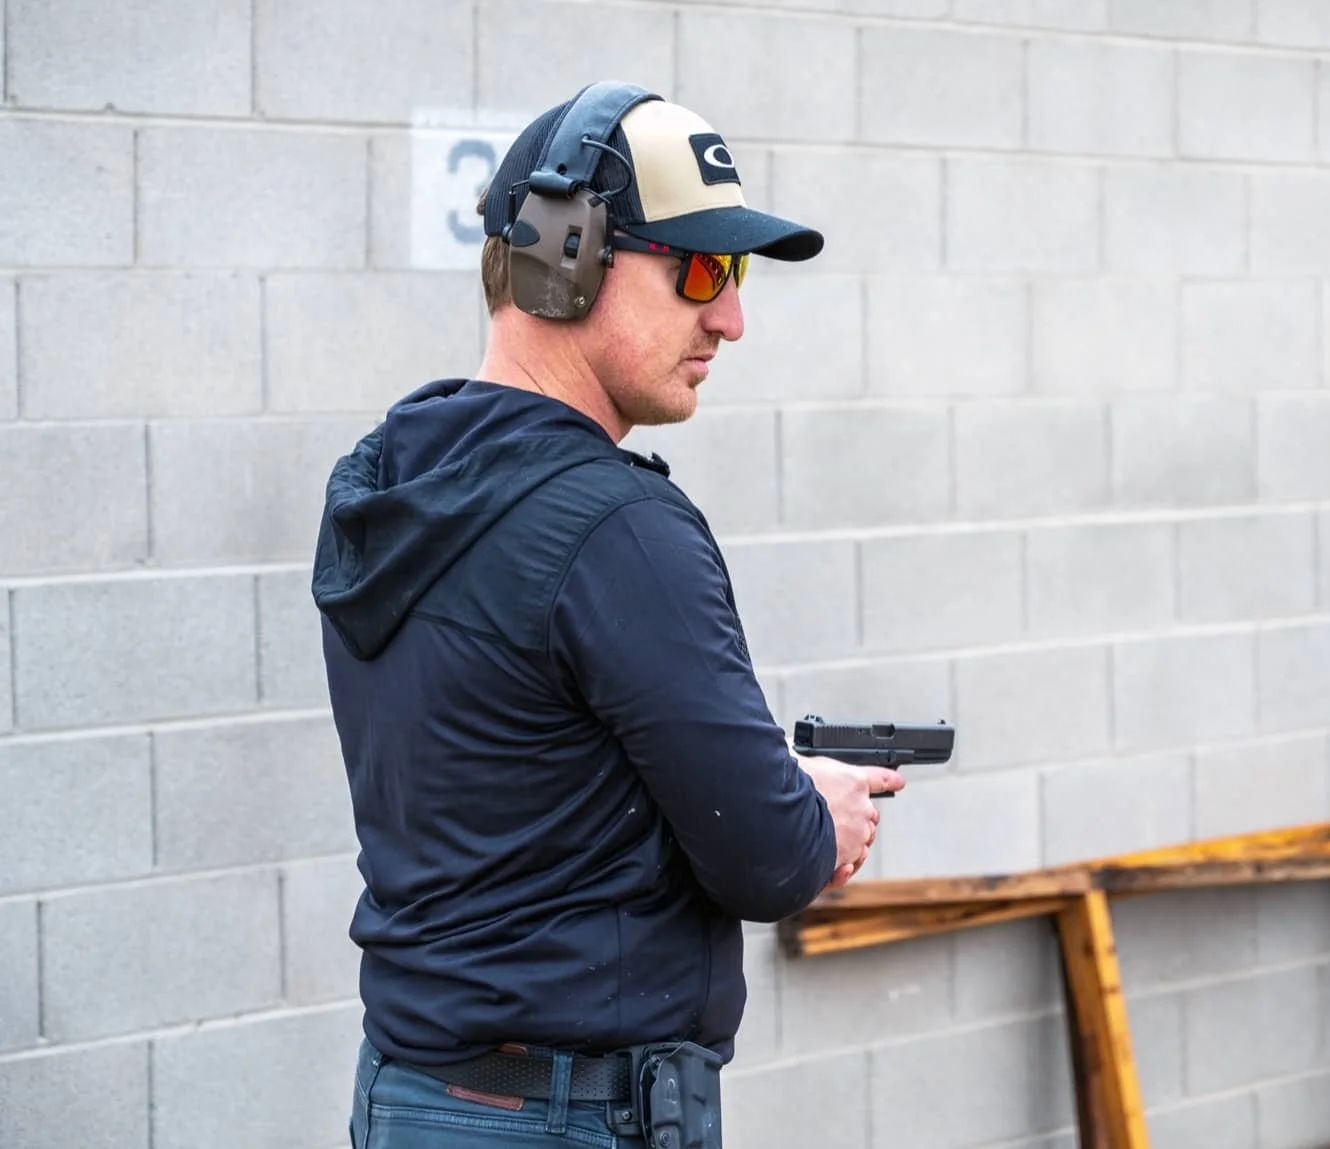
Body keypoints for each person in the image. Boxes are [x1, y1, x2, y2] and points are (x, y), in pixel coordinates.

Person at [311, 81, 903, 1149]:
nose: (730, 317)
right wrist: (821, 814)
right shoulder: (619, 529)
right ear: (562, 256)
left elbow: (535, 784)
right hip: (567, 1115)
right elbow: (764, 860)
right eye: (701, 270)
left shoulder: (387, 482)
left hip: (411, 1096)